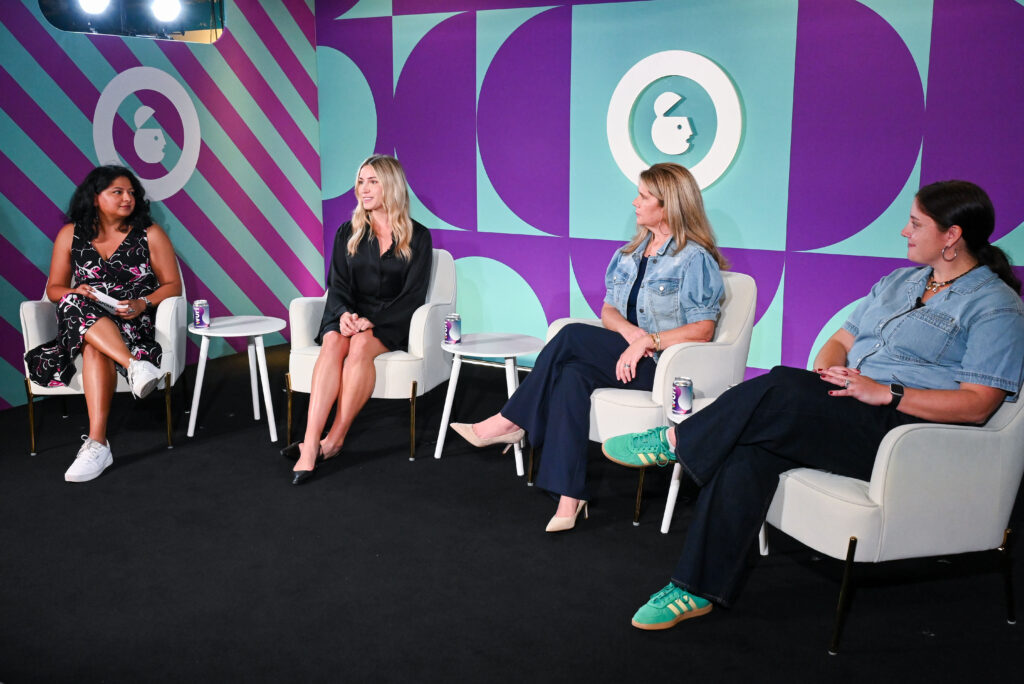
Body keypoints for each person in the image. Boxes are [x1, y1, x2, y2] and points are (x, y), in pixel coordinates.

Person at [602, 180, 1024, 629]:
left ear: (952, 235)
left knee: (782, 383)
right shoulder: (899, 282)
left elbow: (977, 405)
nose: (905, 231)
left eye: (916, 223)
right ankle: (694, 589)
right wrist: (828, 371)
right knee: (748, 450)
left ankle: (674, 440)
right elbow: (840, 340)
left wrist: (888, 393)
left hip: (905, 434)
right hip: (850, 406)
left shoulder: (995, 306)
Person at [452, 163, 728, 531]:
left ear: (669, 206)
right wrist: (632, 335)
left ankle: (510, 420)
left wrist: (649, 341)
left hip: (666, 368)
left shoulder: (694, 259)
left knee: (570, 336)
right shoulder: (629, 254)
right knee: (572, 375)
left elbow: (704, 328)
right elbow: (608, 310)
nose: (635, 202)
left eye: (644, 197)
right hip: (630, 357)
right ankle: (570, 497)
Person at [25, 165, 182, 482]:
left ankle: (98, 444)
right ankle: (134, 366)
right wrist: (76, 291)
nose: (128, 198)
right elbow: (54, 289)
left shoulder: (149, 233)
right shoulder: (70, 235)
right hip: (84, 319)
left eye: (131, 192)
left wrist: (143, 303)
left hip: (130, 323)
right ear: (95, 197)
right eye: (118, 192)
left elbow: (172, 285)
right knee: (72, 303)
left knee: (93, 346)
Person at [284, 155, 433, 485]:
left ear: (391, 186)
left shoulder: (419, 237)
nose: (364, 189)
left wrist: (372, 321)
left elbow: (413, 296)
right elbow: (337, 285)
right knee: (333, 341)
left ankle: (335, 439)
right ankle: (311, 442)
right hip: (348, 312)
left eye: (373, 182)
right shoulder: (347, 232)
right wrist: (344, 315)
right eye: (361, 182)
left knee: (362, 345)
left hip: (391, 319)